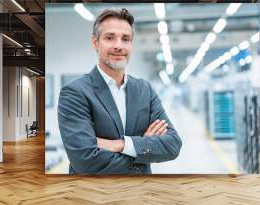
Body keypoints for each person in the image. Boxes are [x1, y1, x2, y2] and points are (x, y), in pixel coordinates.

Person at [58, 8, 182, 174]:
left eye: (126, 39)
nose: (118, 45)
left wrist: (122, 144)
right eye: (110, 38)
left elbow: (173, 145)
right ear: (95, 42)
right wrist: (142, 150)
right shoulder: (75, 92)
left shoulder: (144, 90)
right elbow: (85, 162)